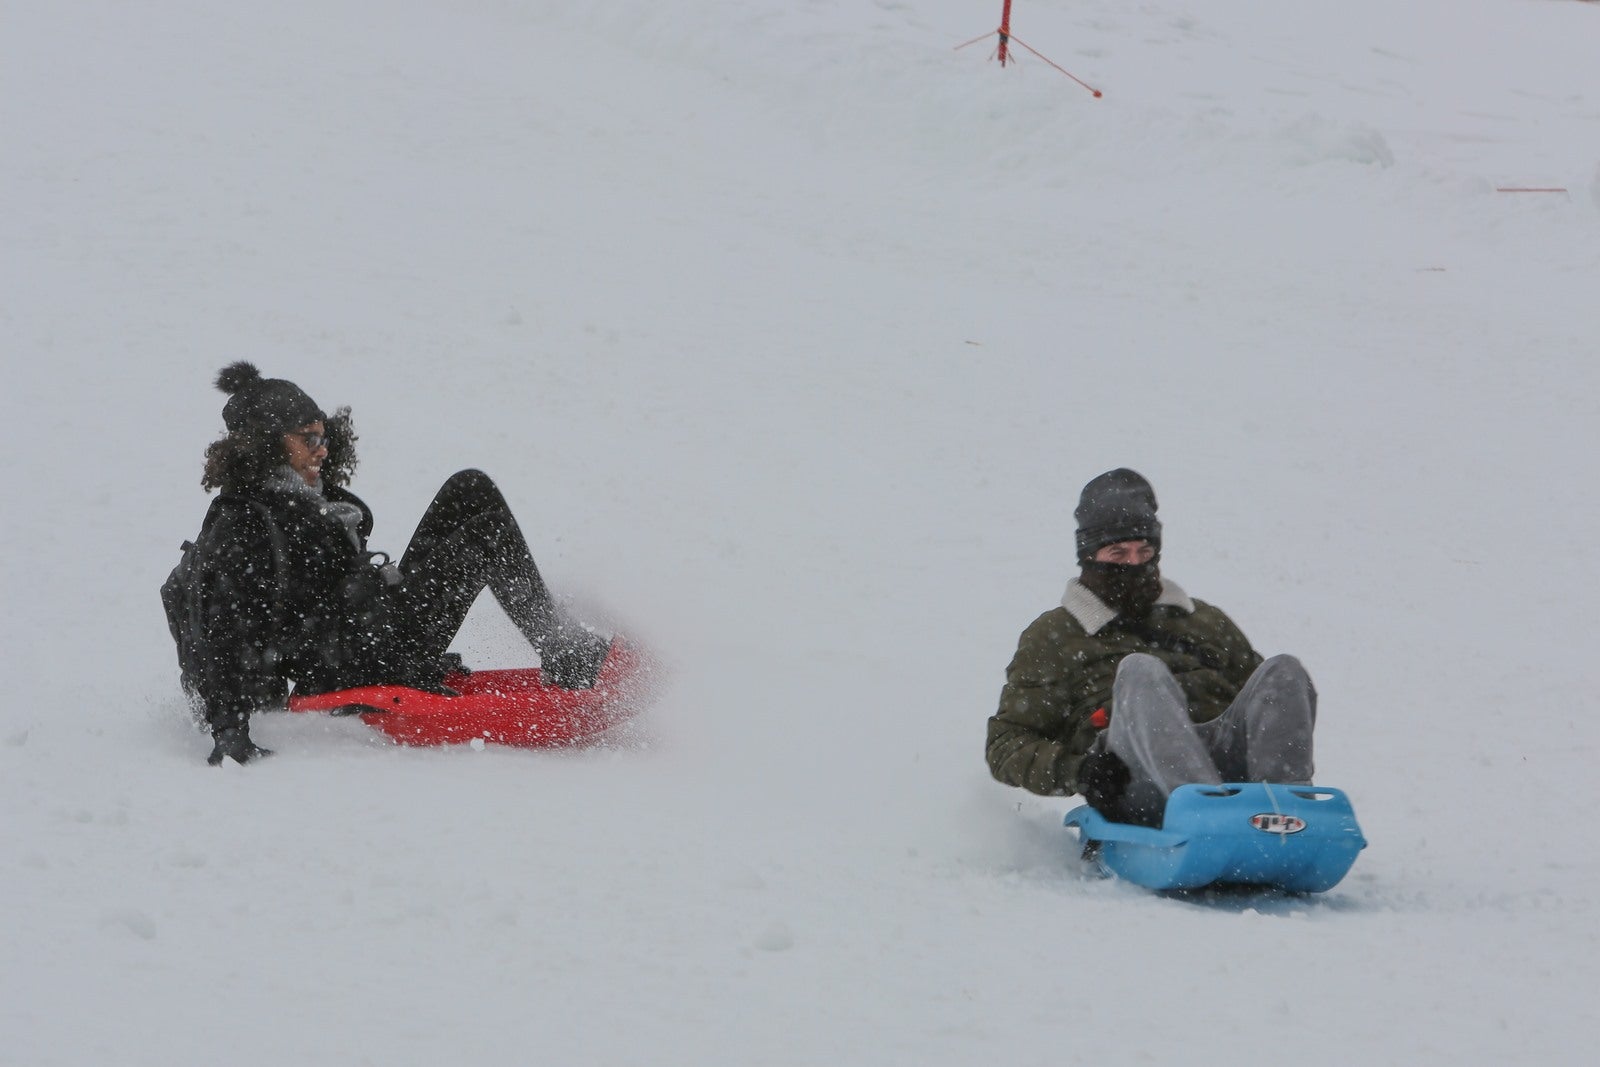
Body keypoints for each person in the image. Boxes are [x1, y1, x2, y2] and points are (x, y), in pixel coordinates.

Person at [167, 362, 611, 765]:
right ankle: (567, 657)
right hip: (355, 660)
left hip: (372, 627)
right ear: (268, 444)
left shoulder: (305, 497)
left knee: (470, 487)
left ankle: (560, 644)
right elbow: (218, 625)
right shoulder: (245, 522)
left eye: (324, 437)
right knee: (483, 536)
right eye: (309, 439)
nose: (322, 450)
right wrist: (228, 730)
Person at [985, 468, 1316, 826]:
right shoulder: (1056, 635)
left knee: (1283, 671)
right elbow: (1006, 744)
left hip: (1228, 771)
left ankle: (1289, 813)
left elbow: (1260, 710)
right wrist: (1080, 771)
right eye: (1118, 553)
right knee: (1140, 671)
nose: (1134, 564)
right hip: (1138, 779)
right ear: (1089, 556)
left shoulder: (1204, 621)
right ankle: (1202, 815)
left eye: (1144, 551)